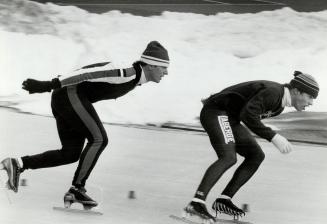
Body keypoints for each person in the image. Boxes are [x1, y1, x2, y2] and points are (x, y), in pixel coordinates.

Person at [0, 41, 169, 207]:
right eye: (164, 67)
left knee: (70, 154)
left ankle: (18, 163)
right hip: (68, 95)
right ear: (152, 66)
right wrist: (48, 85)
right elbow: (86, 73)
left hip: (66, 97)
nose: (166, 72)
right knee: (99, 139)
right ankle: (77, 189)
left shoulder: (135, 78)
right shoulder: (126, 72)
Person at [184, 71, 319, 222]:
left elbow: (245, 114)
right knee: (228, 157)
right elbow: (248, 116)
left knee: (256, 155)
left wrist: (271, 136)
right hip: (215, 112)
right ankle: (196, 203)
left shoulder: (279, 105)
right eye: (310, 97)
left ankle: (224, 200)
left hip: (229, 118)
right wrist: (273, 136)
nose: (311, 102)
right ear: (296, 91)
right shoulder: (274, 93)